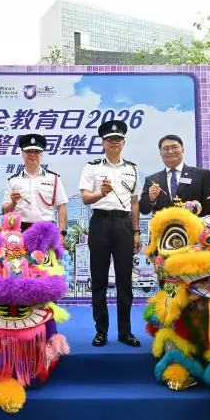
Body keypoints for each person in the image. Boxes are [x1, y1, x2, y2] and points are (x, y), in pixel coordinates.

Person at [79, 120, 142, 348]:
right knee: (99, 280)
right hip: (100, 223)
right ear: (103, 143)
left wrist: (136, 231)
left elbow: (134, 202)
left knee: (125, 280)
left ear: (123, 143)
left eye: (118, 139)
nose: (114, 143)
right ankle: (101, 331)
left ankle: (125, 332)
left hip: (124, 224)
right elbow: (86, 198)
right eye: (109, 139)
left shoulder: (132, 168)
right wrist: (100, 193)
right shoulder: (92, 167)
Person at [2, 134, 68, 239]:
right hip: (20, 231)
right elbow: (5, 210)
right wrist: (13, 203)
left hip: (46, 230)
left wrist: (62, 233)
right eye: (28, 151)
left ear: (41, 155)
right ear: (22, 154)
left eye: (36, 151)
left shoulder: (54, 178)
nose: (32, 154)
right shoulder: (13, 181)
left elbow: (61, 207)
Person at [139, 134, 210, 217]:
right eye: (166, 148)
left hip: (193, 224)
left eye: (174, 147)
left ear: (182, 150)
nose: (170, 151)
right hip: (163, 225)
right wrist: (151, 199)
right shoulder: (152, 180)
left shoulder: (202, 175)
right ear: (160, 153)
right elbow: (143, 210)